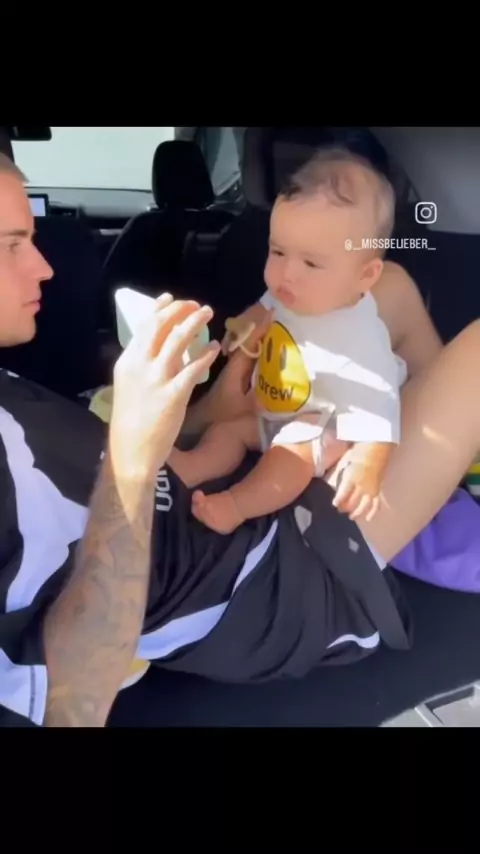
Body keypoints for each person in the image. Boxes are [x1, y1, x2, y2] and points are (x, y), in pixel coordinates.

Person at [1, 151, 480, 728]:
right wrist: (134, 457)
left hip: (221, 466)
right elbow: (70, 711)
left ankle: (455, 468)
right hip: (282, 568)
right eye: (11, 246)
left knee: (390, 289)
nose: (44, 266)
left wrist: (203, 410)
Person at [172, 149, 402, 533]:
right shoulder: (291, 292)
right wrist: (249, 319)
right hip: (271, 412)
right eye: (278, 251)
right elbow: (267, 304)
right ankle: (189, 467)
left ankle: (237, 505)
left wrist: (369, 462)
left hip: (322, 426)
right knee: (227, 432)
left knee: (293, 451)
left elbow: (382, 410)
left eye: (311, 262)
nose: (287, 273)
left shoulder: (362, 338)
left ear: (365, 276)